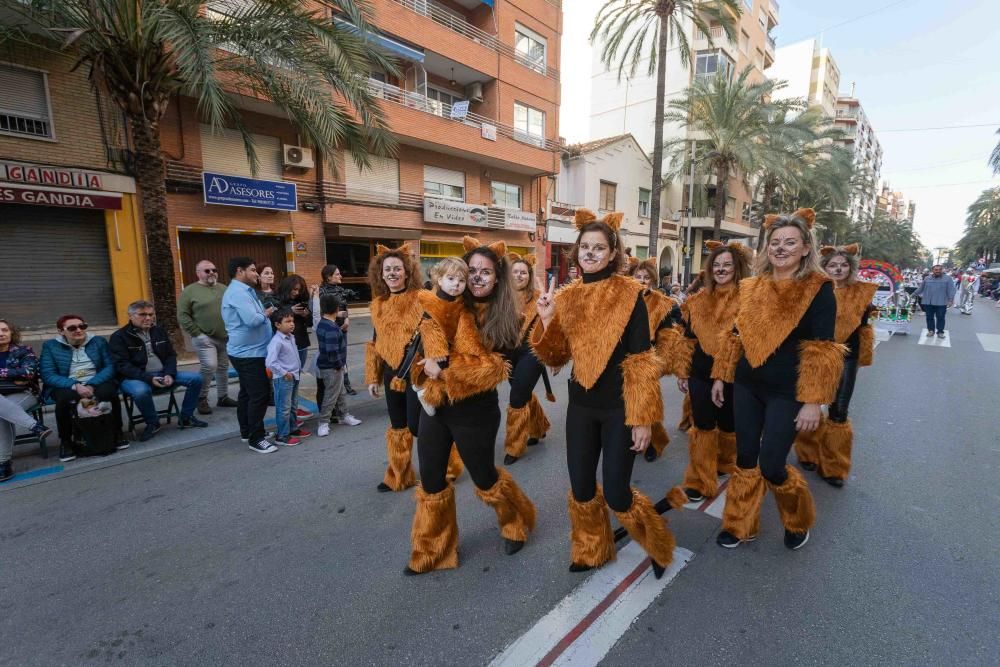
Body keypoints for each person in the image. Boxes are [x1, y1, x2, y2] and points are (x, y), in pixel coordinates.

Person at [532, 209, 676, 579]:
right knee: (581, 488)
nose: (591, 253)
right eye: (585, 247)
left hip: (619, 411)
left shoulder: (632, 294)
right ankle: (593, 549)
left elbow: (642, 360)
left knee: (616, 493)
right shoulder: (565, 297)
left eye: (599, 247)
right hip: (581, 408)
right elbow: (556, 358)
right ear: (576, 252)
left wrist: (642, 418)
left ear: (614, 253)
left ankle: (658, 545)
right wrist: (548, 320)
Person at [714, 208, 845, 551]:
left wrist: (813, 401)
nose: (781, 248)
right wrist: (720, 377)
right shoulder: (749, 286)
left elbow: (822, 348)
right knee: (745, 458)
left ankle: (797, 518)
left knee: (772, 464)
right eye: (775, 242)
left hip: (788, 392)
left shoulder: (819, 289)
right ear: (766, 248)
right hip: (746, 385)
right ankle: (741, 524)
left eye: (790, 242)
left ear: (805, 249)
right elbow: (736, 336)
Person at [406, 237, 536, 575]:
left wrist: (445, 369)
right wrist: (422, 365)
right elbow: (420, 345)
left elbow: (495, 368)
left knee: (484, 477)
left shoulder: (506, 316)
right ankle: (433, 551)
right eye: (472, 271)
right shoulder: (445, 305)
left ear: (497, 278)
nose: (477, 278)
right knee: (432, 479)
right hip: (437, 406)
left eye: (486, 272)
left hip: (475, 413)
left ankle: (515, 521)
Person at [665, 242, 750, 502]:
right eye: (717, 265)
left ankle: (724, 463)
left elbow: (741, 339)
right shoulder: (696, 301)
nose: (721, 269)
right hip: (700, 373)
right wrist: (682, 370)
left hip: (736, 375)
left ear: (737, 268)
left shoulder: (750, 299)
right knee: (702, 425)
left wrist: (722, 376)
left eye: (727, 265)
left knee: (728, 424)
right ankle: (700, 481)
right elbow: (688, 338)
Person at [794, 244, 877, 487]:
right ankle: (807, 451)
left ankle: (833, 466)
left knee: (839, 410)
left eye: (843, 265)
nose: (838, 269)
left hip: (847, 357)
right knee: (809, 404)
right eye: (833, 265)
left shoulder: (862, 293)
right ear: (824, 267)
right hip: (817, 354)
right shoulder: (813, 291)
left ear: (850, 269)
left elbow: (863, 329)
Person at [365, 243, 424, 492]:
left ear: (407, 273)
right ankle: (399, 475)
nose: (391, 273)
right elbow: (375, 340)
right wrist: (372, 376)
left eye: (397, 269)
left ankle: (449, 462)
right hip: (391, 374)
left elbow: (433, 334)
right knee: (398, 426)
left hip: (416, 372)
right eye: (387, 269)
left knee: (417, 425)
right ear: (381, 274)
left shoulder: (421, 299)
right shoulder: (377, 304)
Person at [109, 300, 208, 441]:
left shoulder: (158, 331)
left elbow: (170, 355)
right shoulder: (119, 337)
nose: (148, 318)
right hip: (134, 378)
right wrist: (148, 378)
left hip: (162, 373)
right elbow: (122, 365)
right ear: (130, 316)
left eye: (151, 314)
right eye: (143, 314)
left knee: (196, 379)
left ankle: (186, 417)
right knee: (140, 391)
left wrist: (170, 373)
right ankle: (153, 422)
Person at [40, 314, 126, 462]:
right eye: (72, 328)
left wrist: (92, 384)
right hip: (68, 383)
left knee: (108, 393)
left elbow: (110, 367)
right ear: (61, 331)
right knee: (65, 400)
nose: (79, 330)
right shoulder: (50, 346)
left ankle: (116, 432)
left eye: (82, 326)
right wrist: (75, 385)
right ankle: (66, 441)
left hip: (96, 381)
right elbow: (48, 374)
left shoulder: (98, 341)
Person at [501, 252, 552, 465]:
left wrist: (552, 353)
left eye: (523, 272)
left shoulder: (540, 296)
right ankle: (538, 428)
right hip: (508, 353)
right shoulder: (501, 297)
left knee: (517, 397)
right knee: (523, 393)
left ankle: (514, 445)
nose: (519, 275)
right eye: (515, 272)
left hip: (531, 352)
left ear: (529, 276)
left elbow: (552, 325)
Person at [222, 257, 277, 454]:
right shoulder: (238, 293)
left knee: (246, 394)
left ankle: (248, 431)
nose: (256, 274)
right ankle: (256, 438)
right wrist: (267, 313)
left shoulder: (245, 291)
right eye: (253, 270)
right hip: (249, 354)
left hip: (252, 351)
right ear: (240, 271)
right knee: (259, 395)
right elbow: (252, 320)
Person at [177, 260, 238, 415]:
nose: (211, 273)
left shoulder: (224, 288)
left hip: (225, 337)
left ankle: (223, 397)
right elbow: (183, 315)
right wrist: (197, 334)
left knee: (223, 367)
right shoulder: (189, 291)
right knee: (210, 366)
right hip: (204, 337)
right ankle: (201, 398)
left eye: (214, 269)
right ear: (198, 273)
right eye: (207, 271)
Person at [632, 258, 677, 462]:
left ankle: (655, 442)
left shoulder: (662, 302)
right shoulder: (623, 299)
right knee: (629, 402)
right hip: (626, 357)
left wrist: (659, 364)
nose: (642, 281)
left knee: (649, 402)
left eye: (646, 277)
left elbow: (667, 336)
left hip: (650, 356)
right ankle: (634, 438)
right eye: (638, 277)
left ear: (653, 280)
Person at [0, 319, 51, 482]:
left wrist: (7, 376)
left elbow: (28, 373)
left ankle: (3, 464)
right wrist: (14, 375)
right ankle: (35, 427)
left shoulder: (23, 350)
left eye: (4, 330)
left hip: (25, 393)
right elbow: (20, 373)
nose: (1, 334)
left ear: (11, 333)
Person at [314, 294, 357, 437]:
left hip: (329, 366)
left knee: (340, 392)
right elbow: (332, 350)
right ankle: (323, 423)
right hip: (333, 367)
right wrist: (339, 365)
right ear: (336, 308)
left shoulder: (323, 323)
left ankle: (344, 415)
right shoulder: (332, 328)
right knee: (331, 395)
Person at [313, 264, 358, 396]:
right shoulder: (321, 292)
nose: (341, 276)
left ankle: (346, 384)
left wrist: (347, 319)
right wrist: (337, 316)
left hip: (342, 328)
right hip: (329, 329)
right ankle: (333, 385)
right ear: (328, 277)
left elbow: (345, 306)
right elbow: (318, 312)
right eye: (337, 274)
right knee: (332, 357)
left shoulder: (340, 290)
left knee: (343, 356)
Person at [275, 274, 313, 428]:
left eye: (299, 290)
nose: (296, 293)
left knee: (297, 379)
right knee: (288, 381)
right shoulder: (278, 300)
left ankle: (294, 409)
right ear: (287, 287)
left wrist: (306, 314)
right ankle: (289, 417)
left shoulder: (301, 301)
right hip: (287, 346)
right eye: (294, 289)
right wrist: (290, 311)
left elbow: (310, 323)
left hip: (301, 342)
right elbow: (275, 320)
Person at [266, 308, 306, 447]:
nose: (292, 324)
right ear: (277, 325)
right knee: (284, 408)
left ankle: (293, 429)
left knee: (293, 405)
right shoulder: (276, 341)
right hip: (284, 378)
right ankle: (282, 436)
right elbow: (270, 362)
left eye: (292, 320)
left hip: (294, 375)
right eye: (287, 321)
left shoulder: (291, 336)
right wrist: (284, 373)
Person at [915, 265, 955, 338]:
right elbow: (921, 288)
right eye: (936, 270)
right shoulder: (927, 278)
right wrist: (912, 295)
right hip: (928, 302)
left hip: (941, 302)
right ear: (932, 270)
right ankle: (931, 331)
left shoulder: (947, 279)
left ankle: (940, 332)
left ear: (942, 270)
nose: (938, 271)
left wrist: (951, 300)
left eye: (940, 269)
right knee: (929, 317)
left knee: (940, 317)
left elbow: (951, 290)